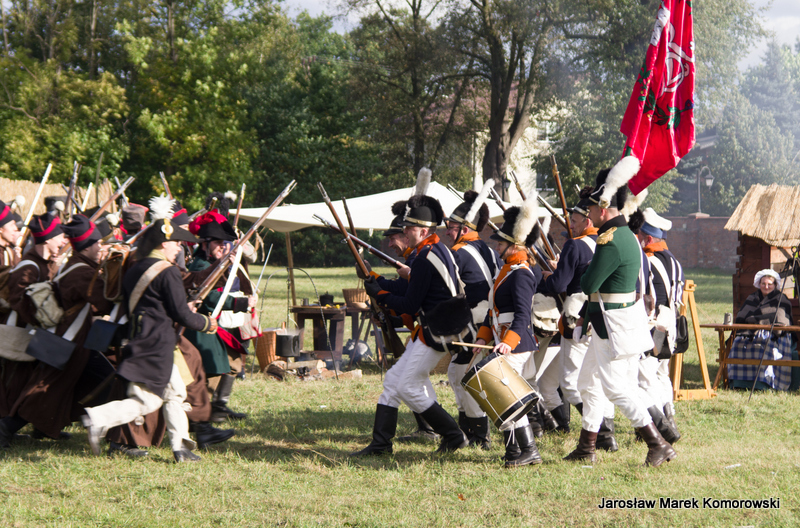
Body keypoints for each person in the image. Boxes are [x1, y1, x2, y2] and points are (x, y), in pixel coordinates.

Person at [82, 214, 218, 463]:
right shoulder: (167, 272)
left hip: (144, 338)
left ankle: (180, 447)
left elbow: (142, 306)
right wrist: (206, 323)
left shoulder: (136, 268)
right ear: (163, 243)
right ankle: (97, 418)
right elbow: (180, 314)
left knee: (175, 392)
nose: (179, 248)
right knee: (148, 401)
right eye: (176, 243)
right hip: (156, 344)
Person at [352, 168, 469, 456]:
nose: (403, 233)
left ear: (424, 231)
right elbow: (408, 290)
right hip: (434, 327)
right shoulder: (433, 251)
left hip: (438, 330)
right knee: (394, 381)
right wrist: (376, 280)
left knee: (406, 387)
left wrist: (378, 293)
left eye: (408, 229)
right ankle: (381, 444)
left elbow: (408, 304)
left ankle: (453, 435)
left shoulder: (425, 259)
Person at [564, 168, 676, 468]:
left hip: (611, 325)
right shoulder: (624, 235)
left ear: (603, 209)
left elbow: (589, 284)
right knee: (587, 382)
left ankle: (657, 443)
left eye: (591, 209)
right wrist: (584, 318)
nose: (589, 214)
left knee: (616, 389)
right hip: (613, 320)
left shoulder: (610, 240)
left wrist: (585, 283)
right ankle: (587, 446)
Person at [0, 214, 115, 445]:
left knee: (58, 388)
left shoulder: (71, 267)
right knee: (41, 391)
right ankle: (4, 430)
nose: (62, 241)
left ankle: (46, 426)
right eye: (97, 243)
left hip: (68, 340)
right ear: (87, 246)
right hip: (62, 341)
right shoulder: (77, 271)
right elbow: (105, 302)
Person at [538, 188, 616, 448]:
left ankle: (601, 433)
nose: (571, 225)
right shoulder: (606, 244)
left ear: (588, 219)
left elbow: (559, 284)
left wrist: (549, 277)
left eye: (575, 220)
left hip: (576, 317)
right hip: (601, 317)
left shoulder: (575, 245)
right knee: (596, 378)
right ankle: (606, 430)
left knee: (571, 383)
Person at [471, 197, 543, 467]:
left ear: (514, 245)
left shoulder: (521, 273)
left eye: (501, 243)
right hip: (502, 340)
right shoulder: (507, 270)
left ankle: (529, 450)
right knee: (503, 397)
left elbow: (523, 315)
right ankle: (514, 450)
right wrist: (482, 337)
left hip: (517, 343)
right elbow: (493, 311)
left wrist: (508, 343)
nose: (497, 246)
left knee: (508, 398)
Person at [444, 182, 500, 450]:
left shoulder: (457, 253)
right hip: (488, 321)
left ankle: (478, 434)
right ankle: (468, 429)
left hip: (474, 323)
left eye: (451, 227)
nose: (447, 231)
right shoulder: (489, 250)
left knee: (463, 375)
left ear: (464, 229)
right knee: (459, 374)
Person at [185, 210, 255, 422]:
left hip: (213, 323)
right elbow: (210, 298)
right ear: (205, 244)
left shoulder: (214, 263)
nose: (222, 246)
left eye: (224, 243)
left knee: (232, 363)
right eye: (217, 242)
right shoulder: (201, 266)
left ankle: (216, 408)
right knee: (212, 370)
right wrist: (241, 303)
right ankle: (200, 417)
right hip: (201, 326)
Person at [629, 207, 682, 443]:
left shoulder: (648, 261)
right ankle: (669, 419)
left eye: (639, 235)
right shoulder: (674, 261)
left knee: (644, 377)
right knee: (661, 375)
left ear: (648, 239)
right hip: (670, 324)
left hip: (654, 325)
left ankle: (659, 427)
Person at [727, 269, 794, 391]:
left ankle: (763, 384)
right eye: (763, 283)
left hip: (773, 334)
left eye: (769, 284)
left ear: (775, 285)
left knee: (764, 347)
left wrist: (758, 321)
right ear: (759, 284)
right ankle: (738, 382)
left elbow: (781, 321)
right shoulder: (752, 298)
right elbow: (742, 316)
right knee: (737, 344)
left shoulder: (781, 299)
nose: (766, 287)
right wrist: (753, 324)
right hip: (750, 332)